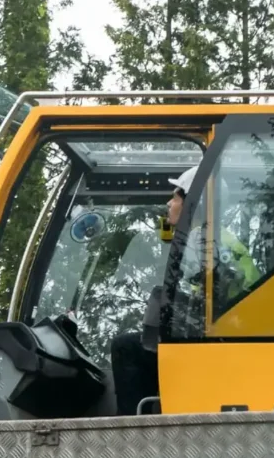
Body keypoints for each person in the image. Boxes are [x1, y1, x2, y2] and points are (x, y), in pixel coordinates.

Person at [109, 164, 260, 416]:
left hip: (212, 348)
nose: (170, 203)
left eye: (176, 196)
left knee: (125, 347)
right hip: (226, 344)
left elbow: (212, 299)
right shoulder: (218, 237)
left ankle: (134, 429)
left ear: (194, 203)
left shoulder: (202, 239)